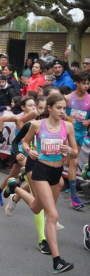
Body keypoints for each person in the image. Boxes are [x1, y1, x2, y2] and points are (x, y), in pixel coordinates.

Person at [7, 93, 77, 274]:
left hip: (57, 172)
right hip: (41, 171)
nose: (62, 111)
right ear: (50, 108)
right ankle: (57, 261)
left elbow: (75, 153)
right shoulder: (38, 125)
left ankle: (15, 188)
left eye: (64, 108)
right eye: (59, 108)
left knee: (36, 207)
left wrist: (69, 150)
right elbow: (23, 142)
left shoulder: (67, 126)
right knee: (52, 215)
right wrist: (29, 150)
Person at [0, 96, 37, 206]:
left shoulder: (36, 120)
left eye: (34, 105)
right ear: (23, 107)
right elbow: (2, 119)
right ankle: (19, 181)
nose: (33, 108)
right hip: (18, 149)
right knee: (30, 167)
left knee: (12, 175)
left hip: (29, 149)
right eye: (30, 105)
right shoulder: (19, 117)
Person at [64, 71, 89, 210]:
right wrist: (68, 119)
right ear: (77, 83)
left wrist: (88, 121)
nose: (86, 86)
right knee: (73, 162)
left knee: (68, 162)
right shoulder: (68, 98)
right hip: (67, 132)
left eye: (88, 83)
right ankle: (74, 197)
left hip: (80, 134)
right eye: (83, 83)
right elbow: (59, 113)